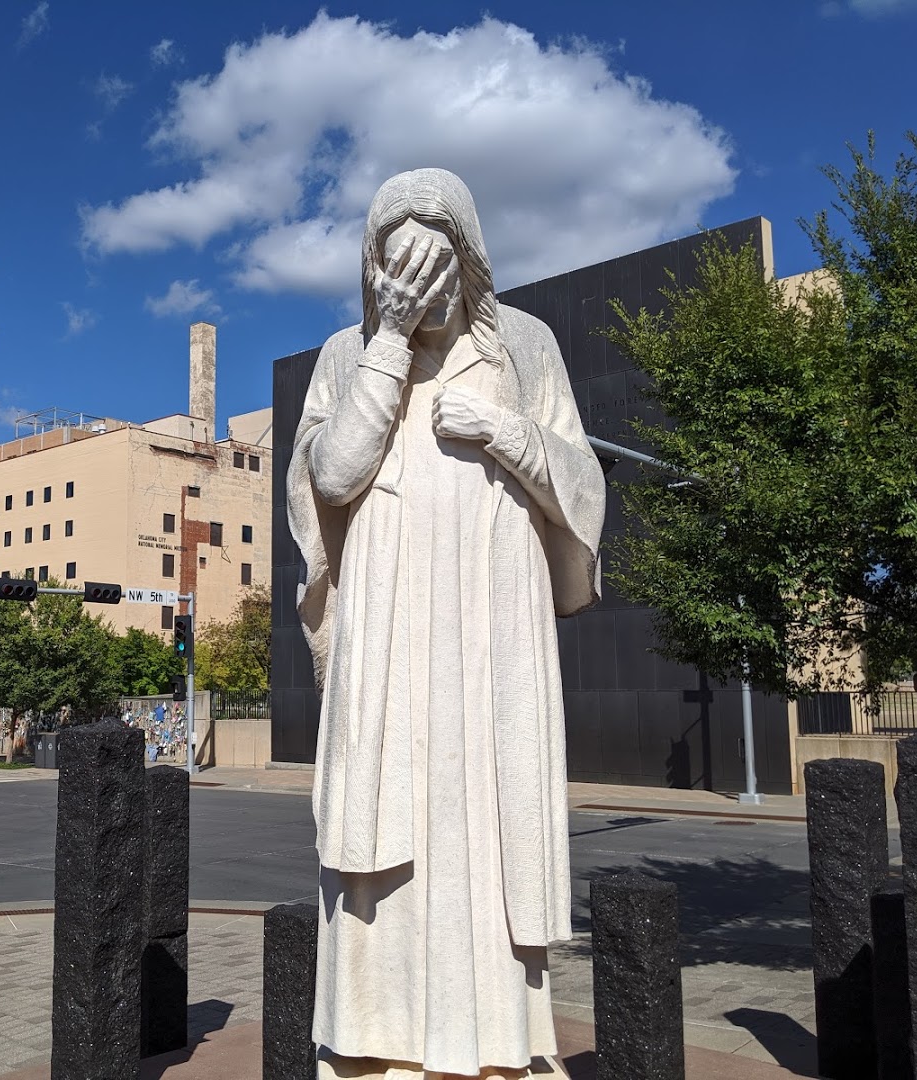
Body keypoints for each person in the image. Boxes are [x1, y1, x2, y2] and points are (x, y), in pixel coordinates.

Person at [288, 169, 605, 1079]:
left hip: (493, 610)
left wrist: (507, 432)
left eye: (435, 269)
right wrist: (389, 342)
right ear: (375, 272)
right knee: (382, 820)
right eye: (399, 273)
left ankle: (498, 1047)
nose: (419, 289)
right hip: (387, 610)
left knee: (487, 812)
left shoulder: (525, 347)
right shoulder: (349, 353)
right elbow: (333, 476)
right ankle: (370, 1044)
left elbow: (583, 486)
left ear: (470, 263)